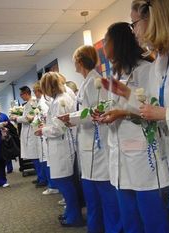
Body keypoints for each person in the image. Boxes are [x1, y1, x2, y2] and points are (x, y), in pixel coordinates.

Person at [108, 0, 169, 231]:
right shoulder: (162, 62)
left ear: (151, 19)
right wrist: (126, 93)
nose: (133, 31)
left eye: (134, 24)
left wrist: (166, 114)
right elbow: (153, 104)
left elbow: (161, 111)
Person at [98, 22, 169, 233]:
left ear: (117, 42)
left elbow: (156, 109)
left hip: (143, 156)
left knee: (153, 220)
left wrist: (125, 111)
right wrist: (106, 113)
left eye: (106, 41)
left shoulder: (146, 69)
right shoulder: (117, 74)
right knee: (130, 221)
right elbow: (117, 106)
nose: (104, 46)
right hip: (121, 156)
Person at [60, 45, 122, 233]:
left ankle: (112, 229)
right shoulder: (88, 82)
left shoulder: (96, 81)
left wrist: (72, 118)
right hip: (88, 147)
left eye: (75, 61)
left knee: (106, 198)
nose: (74, 65)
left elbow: (98, 111)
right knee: (93, 198)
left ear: (80, 61)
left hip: (98, 146)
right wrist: (73, 119)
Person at [35, 72, 84, 227]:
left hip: (62, 147)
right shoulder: (61, 98)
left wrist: (42, 130)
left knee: (64, 182)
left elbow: (58, 129)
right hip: (62, 146)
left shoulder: (60, 101)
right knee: (66, 182)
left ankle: (74, 216)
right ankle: (70, 212)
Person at [10, 86, 42, 184]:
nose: (21, 96)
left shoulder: (32, 103)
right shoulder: (28, 104)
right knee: (34, 157)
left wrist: (16, 118)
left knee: (36, 157)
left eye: (21, 94)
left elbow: (28, 119)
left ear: (26, 93)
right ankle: (40, 177)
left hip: (32, 133)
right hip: (28, 132)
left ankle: (42, 178)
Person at [0, 103, 13, 174]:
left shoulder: (3, 115)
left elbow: (9, 124)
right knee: (0, 154)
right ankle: (2, 169)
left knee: (7, 152)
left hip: (5, 136)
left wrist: (5, 126)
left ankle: (9, 168)